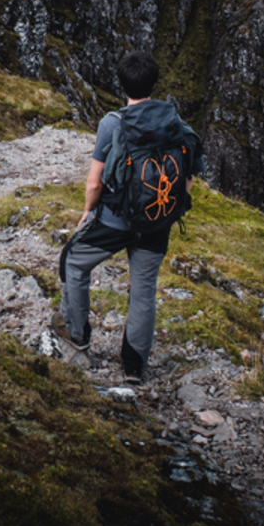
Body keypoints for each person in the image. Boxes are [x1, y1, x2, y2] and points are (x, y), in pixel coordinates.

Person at [53, 50, 202, 383]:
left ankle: (76, 335)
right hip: (157, 220)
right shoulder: (175, 123)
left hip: (115, 220)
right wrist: (172, 206)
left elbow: (94, 181)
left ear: (121, 83)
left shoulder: (112, 123)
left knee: (74, 263)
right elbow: (189, 173)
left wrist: (88, 211)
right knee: (143, 290)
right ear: (154, 82)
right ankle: (134, 368)